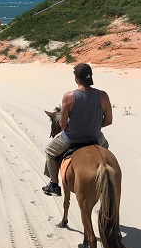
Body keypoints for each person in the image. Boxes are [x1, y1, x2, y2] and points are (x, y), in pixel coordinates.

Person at [42, 63, 112, 196]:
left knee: (50, 151)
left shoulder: (68, 96)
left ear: (76, 77)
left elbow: (62, 124)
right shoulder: (103, 96)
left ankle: (54, 185)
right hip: (95, 137)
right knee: (106, 149)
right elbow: (108, 121)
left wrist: (77, 126)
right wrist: (93, 125)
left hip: (71, 138)